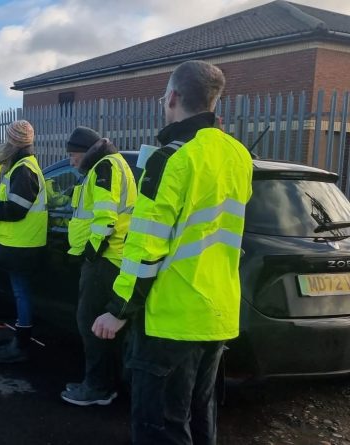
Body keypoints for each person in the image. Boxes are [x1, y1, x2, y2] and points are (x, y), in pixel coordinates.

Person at [92, 60, 253, 444]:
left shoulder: (170, 160)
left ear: (173, 97)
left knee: (162, 427)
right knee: (199, 419)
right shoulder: (238, 154)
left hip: (171, 317)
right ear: (215, 100)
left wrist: (118, 310)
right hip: (216, 311)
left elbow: (146, 244)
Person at [60, 129, 137, 407]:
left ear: (85, 151)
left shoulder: (104, 167)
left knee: (91, 324)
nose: (70, 161)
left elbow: (105, 217)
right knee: (104, 328)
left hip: (106, 260)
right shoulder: (113, 164)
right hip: (114, 258)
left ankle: (97, 387)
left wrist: (92, 253)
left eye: (72, 155)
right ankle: (108, 384)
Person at [0, 120, 46, 363]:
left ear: (13, 141)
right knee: (18, 291)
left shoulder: (24, 169)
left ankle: (22, 343)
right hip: (20, 242)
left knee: (21, 292)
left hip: (21, 244)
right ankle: (20, 337)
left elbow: (15, 209)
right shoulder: (23, 165)